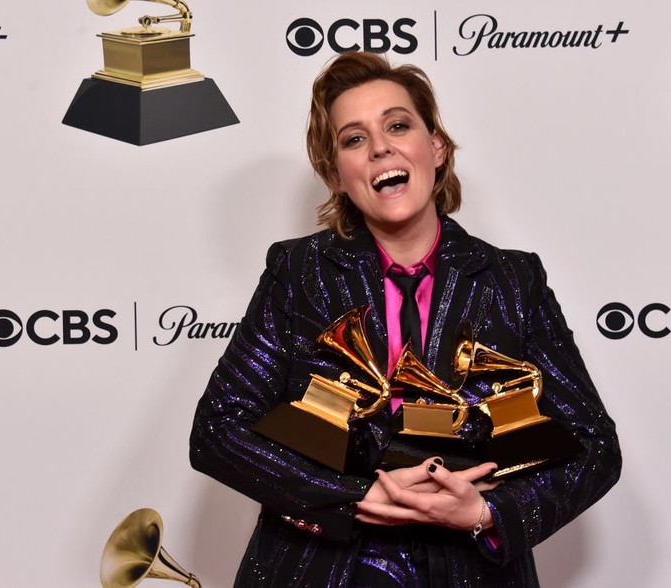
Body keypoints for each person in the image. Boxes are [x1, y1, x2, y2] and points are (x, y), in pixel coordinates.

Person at [189, 51, 621, 587]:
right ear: (336, 174)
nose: (380, 148)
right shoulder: (298, 272)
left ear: (435, 147)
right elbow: (218, 431)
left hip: (471, 570)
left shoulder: (512, 279)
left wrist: (487, 514)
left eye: (397, 125)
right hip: (319, 570)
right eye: (353, 139)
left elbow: (594, 445)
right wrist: (355, 497)